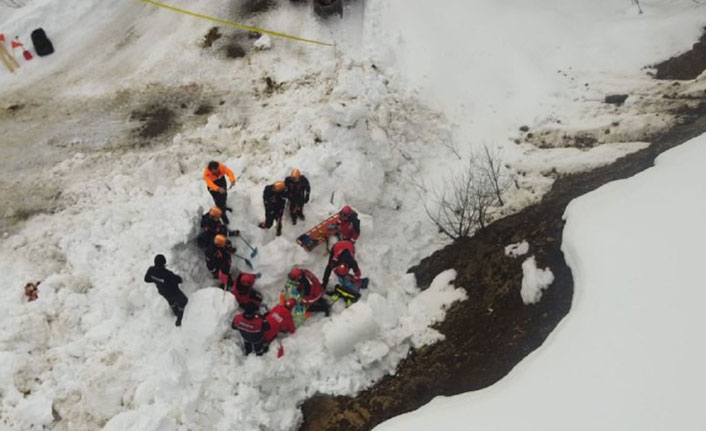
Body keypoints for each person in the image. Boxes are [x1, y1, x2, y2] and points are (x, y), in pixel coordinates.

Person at [144, 254, 188, 326]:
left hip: (163, 292)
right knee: (184, 301)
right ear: (163, 263)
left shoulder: (151, 270)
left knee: (171, 302)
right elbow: (178, 280)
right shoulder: (167, 274)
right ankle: (179, 319)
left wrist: (156, 280)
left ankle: (175, 312)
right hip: (174, 292)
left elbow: (146, 279)